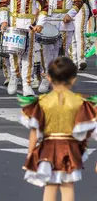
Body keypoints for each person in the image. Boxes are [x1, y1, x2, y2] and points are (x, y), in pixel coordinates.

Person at [19, 57, 97, 199]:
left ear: (48, 77)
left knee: (50, 187)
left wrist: (30, 153)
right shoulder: (80, 103)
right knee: (68, 186)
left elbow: (34, 131)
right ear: (73, 79)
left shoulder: (42, 103)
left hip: (47, 148)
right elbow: (92, 130)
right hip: (70, 150)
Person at [0, 0, 49, 96]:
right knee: (13, 53)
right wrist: (4, 21)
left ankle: (27, 83)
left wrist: (40, 24)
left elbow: (45, 7)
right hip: (14, 22)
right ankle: (14, 76)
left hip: (30, 25)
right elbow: (3, 4)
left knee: (29, 54)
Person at [40, 0, 82, 92]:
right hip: (48, 19)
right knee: (46, 51)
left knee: (62, 53)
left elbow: (79, 0)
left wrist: (70, 14)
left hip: (64, 21)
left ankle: (62, 82)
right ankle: (46, 79)